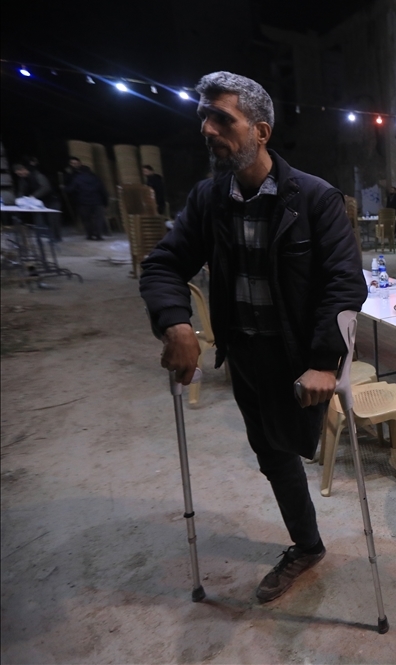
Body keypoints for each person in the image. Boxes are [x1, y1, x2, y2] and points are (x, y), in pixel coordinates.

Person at [138, 71, 367, 604]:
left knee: (292, 447)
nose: (208, 129)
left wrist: (325, 361)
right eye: (204, 118)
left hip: (298, 359)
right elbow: (163, 265)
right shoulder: (209, 199)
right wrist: (177, 323)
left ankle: (307, 537)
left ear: (260, 131)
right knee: (273, 456)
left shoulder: (313, 198)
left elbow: (342, 283)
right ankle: (308, 545)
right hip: (246, 358)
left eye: (223, 118)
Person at [13, 162, 62, 242]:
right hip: (38, 203)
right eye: (18, 174)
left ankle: (56, 237)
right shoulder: (23, 179)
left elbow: (46, 187)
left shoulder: (37, 175)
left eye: (20, 173)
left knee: (53, 220)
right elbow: (21, 191)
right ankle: (47, 236)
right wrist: (19, 199)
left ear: (23, 170)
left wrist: (34, 196)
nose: (20, 175)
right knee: (42, 220)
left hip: (51, 200)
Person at [63, 158, 109, 240]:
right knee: (98, 219)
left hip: (83, 203)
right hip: (97, 202)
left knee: (87, 220)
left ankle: (90, 235)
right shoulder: (96, 178)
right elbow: (103, 191)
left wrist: (63, 187)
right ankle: (98, 235)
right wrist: (105, 202)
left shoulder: (77, 179)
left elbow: (70, 189)